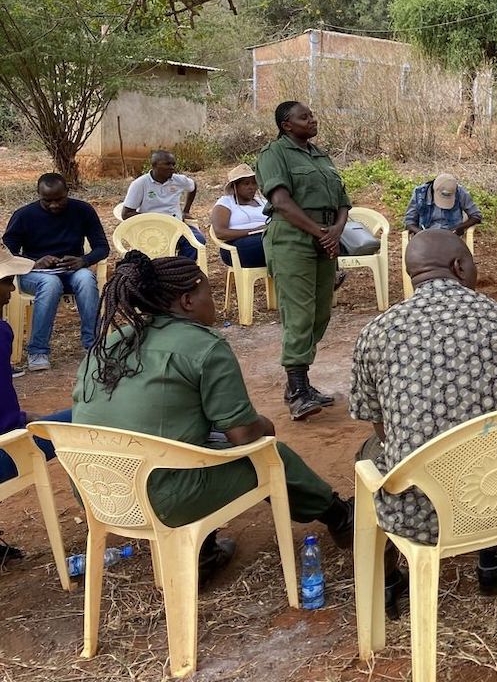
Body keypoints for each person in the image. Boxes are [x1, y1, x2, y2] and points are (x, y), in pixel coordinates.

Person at [72, 251, 353, 581]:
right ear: (188, 300)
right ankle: (340, 517)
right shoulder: (202, 346)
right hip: (161, 497)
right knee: (268, 453)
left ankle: (204, 553)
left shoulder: (110, 341)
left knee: (195, 442)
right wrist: (266, 425)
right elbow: (244, 434)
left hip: (97, 492)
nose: (214, 300)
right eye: (209, 291)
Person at [350, 229, 497, 615]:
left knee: (369, 454)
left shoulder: (375, 332)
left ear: (413, 275)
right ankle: (491, 556)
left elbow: (380, 425)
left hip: (415, 514)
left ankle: (388, 583)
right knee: (491, 440)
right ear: (459, 266)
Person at [255, 101, 351, 419]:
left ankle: (301, 383)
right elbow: (281, 201)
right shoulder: (274, 154)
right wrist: (320, 233)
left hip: (325, 235)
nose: (313, 119)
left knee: (320, 313)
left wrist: (335, 232)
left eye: (312, 114)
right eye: (304, 116)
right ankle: (297, 391)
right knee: (299, 314)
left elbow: (342, 201)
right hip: (292, 237)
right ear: (286, 125)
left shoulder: (321, 156)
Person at [0, 247, 72, 563]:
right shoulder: (1, 332)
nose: (12, 290)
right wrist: (26, 421)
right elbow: (5, 423)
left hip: (9, 430)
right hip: (7, 450)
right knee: (85, 420)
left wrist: (24, 416)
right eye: (7, 281)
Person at [2, 173, 110, 372]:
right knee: (51, 284)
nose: (54, 205)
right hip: (34, 274)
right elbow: (7, 254)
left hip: (72, 270)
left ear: (67, 192)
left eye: (59, 199)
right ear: (38, 195)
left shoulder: (83, 210)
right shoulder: (24, 215)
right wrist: (34, 262)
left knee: (86, 278)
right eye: (47, 201)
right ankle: (38, 351)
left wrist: (84, 260)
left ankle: (94, 344)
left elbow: (102, 247)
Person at [121, 150, 206, 261]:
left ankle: (180, 270)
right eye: (167, 164)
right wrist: (155, 220)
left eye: (173, 164)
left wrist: (186, 211)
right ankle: (164, 271)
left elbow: (193, 186)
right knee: (156, 250)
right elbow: (126, 214)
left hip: (176, 226)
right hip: (151, 228)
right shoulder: (140, 184)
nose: (172, 167)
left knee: (198, 241)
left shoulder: (178, 180)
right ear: (154, 165)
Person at [211, 164, 268, 268]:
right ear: (235, 186)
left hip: (267, 238)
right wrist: (253, 231)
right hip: (237, 247)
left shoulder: (263, 202)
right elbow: (220, 232)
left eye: (254, 183)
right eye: (246, 184)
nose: (251, 187)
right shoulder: (226, 202)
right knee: (274, 243)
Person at [404, 173, 483, 237]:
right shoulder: (420, 193)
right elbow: (409, 222)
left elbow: (476, 216)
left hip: (451, 237)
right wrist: (422, 234)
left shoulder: (461, 193)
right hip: (425, 236)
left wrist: (460, 228)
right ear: (434, 189)